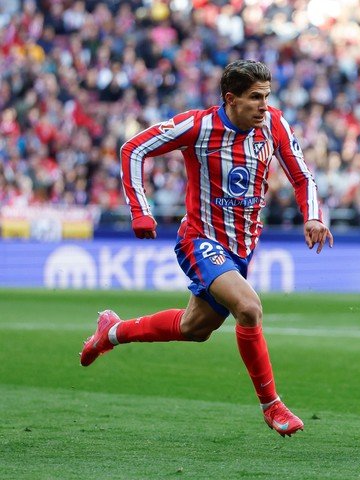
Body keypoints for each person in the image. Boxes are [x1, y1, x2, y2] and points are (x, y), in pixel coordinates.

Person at [80, 60, 333, 438]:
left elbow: (301, 175)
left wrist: (313, 216)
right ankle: (272, 406)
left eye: (267, 97)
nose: (264, 106)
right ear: (231, 99)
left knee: (194, 328)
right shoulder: (198, 126)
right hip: (199, 239)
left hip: (242, 249)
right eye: (255, 98)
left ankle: (112, 332)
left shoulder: (275, 125)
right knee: (248, 308)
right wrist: (141, 210)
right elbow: (133, 149)